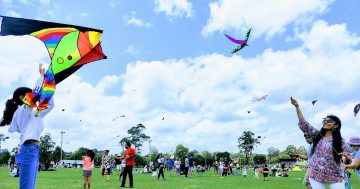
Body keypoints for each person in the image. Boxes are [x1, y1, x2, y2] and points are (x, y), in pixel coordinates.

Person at [0, 64, 54, 189]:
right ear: (22, 97)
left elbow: (50, 105)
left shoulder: (30, 112)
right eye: (28, 94)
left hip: (32, 150)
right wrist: (41, 77)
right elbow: (35, 93)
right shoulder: (23, 110)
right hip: (29, 149)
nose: (31, 96)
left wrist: (47, 85)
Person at [291, 97, 350, 189]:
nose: (326, 122)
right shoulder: (317, 135)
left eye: (329, 121)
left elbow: (348, 160)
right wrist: (297, 106)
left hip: (335, 176)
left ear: (336, 125)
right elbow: (304, 124)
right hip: (316, 174)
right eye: (324, 120)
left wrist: (346, 157)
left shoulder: (342, 142)